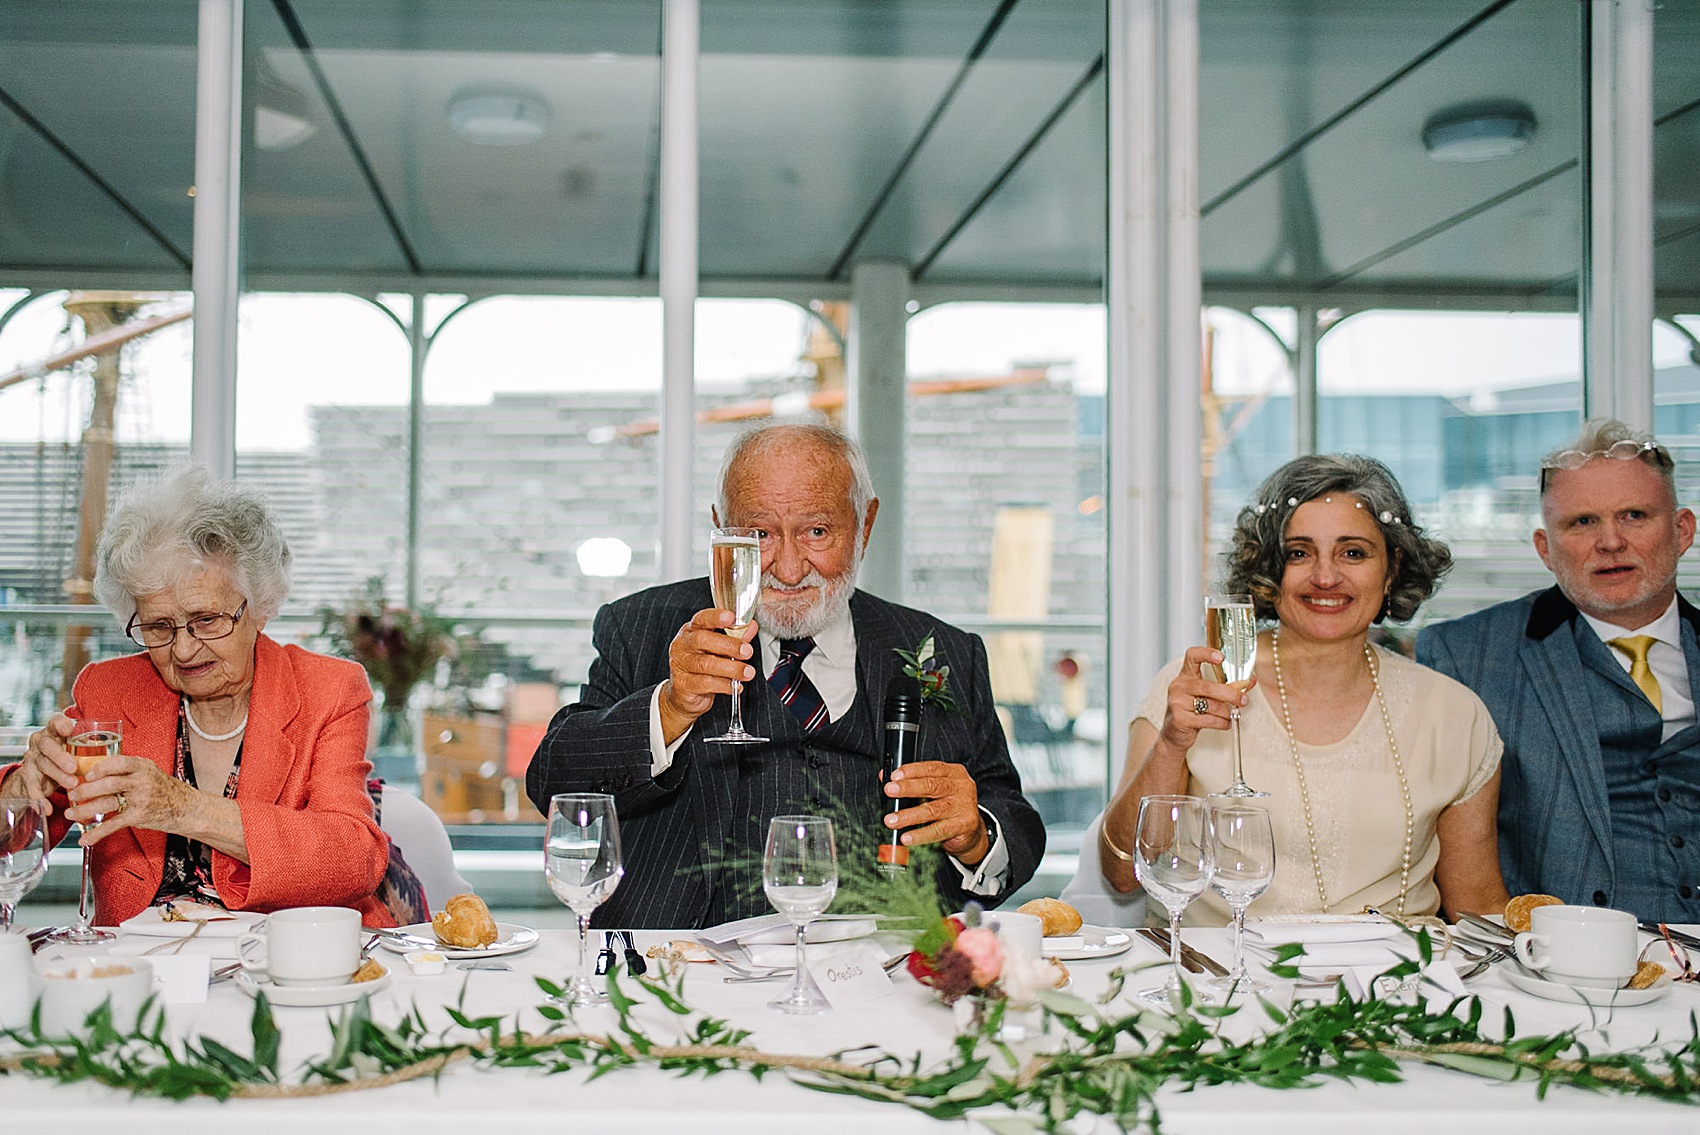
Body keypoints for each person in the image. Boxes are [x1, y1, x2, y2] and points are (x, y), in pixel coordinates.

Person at [527, 423, 1045, 928]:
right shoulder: (639, 627)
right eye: (759, 535)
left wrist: (977, 835)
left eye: (817, 531)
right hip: (684, 971)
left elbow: (1013, 817)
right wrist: (668, 708)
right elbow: (553, 784)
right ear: (720, 529)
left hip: (892, 972)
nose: (790, 568)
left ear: (865, 524)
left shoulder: (944, 652)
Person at [1099, 455, 1509, 925]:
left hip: (1396, 988)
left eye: (1353, 552)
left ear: (1391, 568)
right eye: (1299, 553)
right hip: (1222, 986)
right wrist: (1172, 745)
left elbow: (1478, 908)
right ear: (1270, 572)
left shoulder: (1455, 714)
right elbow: (1123, 875)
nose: (1326, 576)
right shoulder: (1199, 687)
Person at [0, 466, 400, 927]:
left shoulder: (328, 690)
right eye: (158, 626)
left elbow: (354, 859)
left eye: (207, 620)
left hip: (290, 959)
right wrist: (21, 792)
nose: (184, 649)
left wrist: (182, 808)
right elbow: (19, 838)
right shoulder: (109, 691)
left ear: (260, 605)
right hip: (145, 970)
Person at [1418, 420, 1699, 922]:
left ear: (1682, 531)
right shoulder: (1466, 655)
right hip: (1558, 965)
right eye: (1582, 523)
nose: (1610, 542)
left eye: (1634, 515)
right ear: (1545, 549)